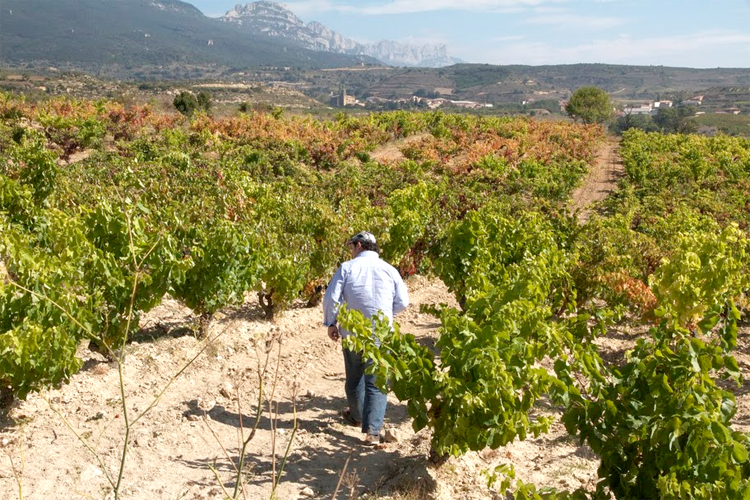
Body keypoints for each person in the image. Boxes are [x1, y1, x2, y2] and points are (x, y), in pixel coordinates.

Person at [322, 231, 409, 446]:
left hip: (353, 334)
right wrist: (387, 314)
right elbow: (403, 302)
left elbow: (331, 298)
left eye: (352, 245)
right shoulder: (390, 269)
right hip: (381, 334)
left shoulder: (347, 268)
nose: (351, 250)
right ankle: (373, 432)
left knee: (354, 379)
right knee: (377, 382)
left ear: (359, 245)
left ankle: (357, 415)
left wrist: (331, 323)